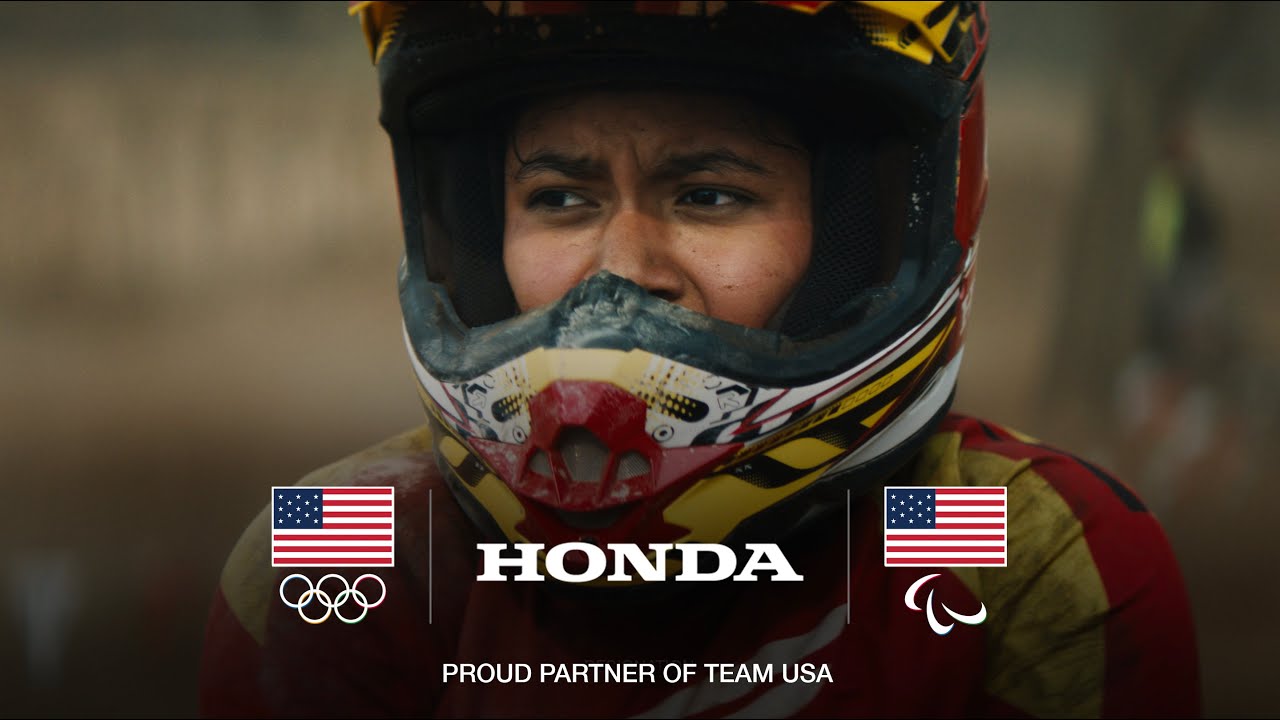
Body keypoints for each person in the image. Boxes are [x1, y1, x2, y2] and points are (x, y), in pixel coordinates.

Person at [200, 2, 1201, 717]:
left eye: (709, 195)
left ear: (860, 239)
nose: (621, 272)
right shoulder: (344, 553)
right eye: (559, 198)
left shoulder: (1016, 553)